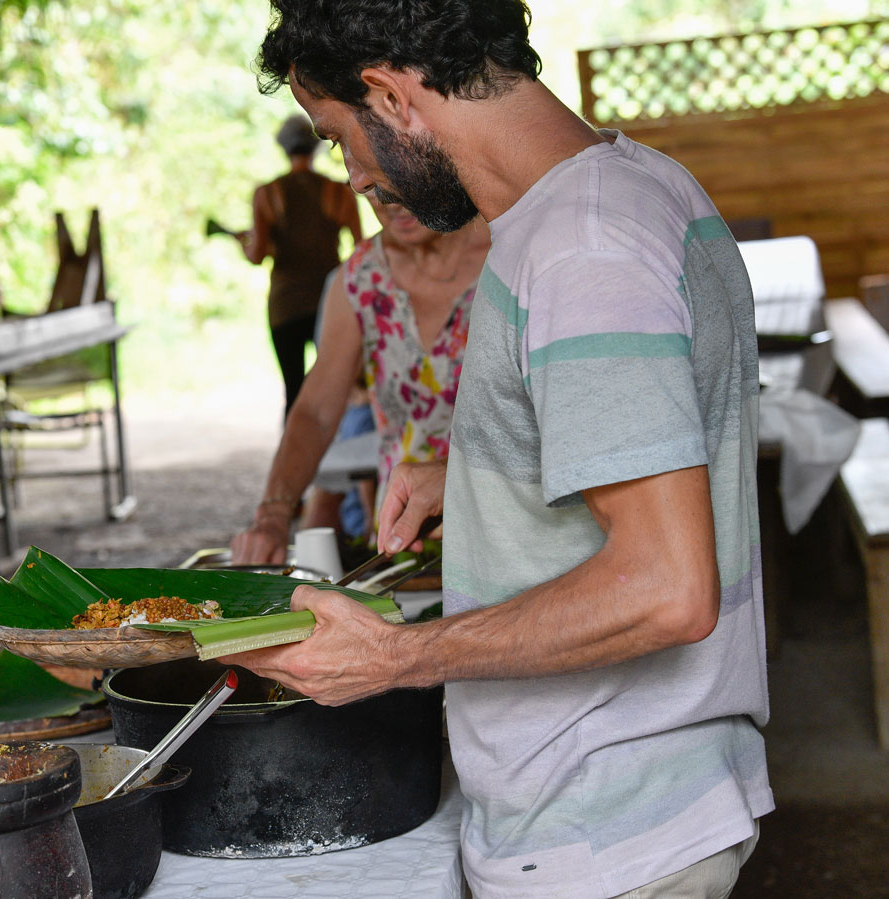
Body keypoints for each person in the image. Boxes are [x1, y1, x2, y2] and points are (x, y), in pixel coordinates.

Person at [225, 3, 772, 897]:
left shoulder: (580, 246)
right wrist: (481, 472)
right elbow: (659, 428)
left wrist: (393, 657)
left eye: (338, 138)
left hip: (605, 826)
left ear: (390, 95)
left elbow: (666, 589)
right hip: (624, 802)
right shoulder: (635, 185)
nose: (355, 176)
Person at [231, 196, 487, 564]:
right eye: (372, 186)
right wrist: (273, 516)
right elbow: (316, 412)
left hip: (504, 531)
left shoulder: (509, 255)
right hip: (404, 540)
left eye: (400, 179)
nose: (390, 200)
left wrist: (456, 477)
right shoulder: (363, 275)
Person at [239, 114, 362, 417]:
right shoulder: (339, 192)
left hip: (286, 306)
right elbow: (361, 251)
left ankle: (293, 459)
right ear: (316, 146)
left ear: (283, 148)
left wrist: (242, 243)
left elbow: (256, 256)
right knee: (338, 387)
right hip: (330, 302)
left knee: (293, 389)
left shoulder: (266, 194)